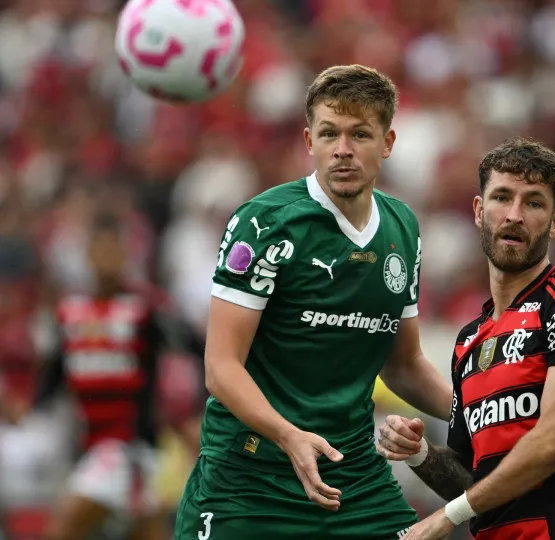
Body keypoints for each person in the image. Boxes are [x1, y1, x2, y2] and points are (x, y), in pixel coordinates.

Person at [173, 64, 453, 540]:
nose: (342, 149)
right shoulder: (264, 223)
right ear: (309, 140)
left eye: (359, 134)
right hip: (250, 477)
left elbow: (403, 364)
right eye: (329, 133)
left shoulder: (402, 227)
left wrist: (475, 414)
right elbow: (221, 367)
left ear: (387, 142)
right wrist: (288, 435)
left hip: (353, 477)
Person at [375, 138, 555, 540]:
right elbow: (474, 484)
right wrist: (420, 454)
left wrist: (445, 518)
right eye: (501, 198)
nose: (514, 215)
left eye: (533, 203)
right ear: (479, 211)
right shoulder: (469, 339)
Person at [33, 212, 205, 540]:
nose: (107, 259)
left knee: (66, 522)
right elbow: (51, 379)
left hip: (130, 448)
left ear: (126, 256)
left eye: (114, 250)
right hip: (90, 447)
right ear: (88, 255)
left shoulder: (143, 310)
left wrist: (192, 412)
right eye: (100, 250)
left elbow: (196, 348)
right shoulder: (71, 314)